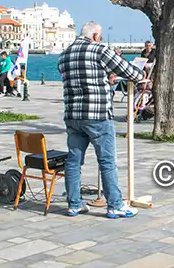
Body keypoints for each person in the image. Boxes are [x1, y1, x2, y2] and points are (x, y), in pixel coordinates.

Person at [57, 21, 144, 219]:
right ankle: (114, 205)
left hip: (72, 114)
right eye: (100, 36)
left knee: (73, 161)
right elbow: (131, 72)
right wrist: (141, 73)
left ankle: (74, 204)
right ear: (95, 36)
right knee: (106, 160)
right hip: (97, 114)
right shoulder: (99, 50)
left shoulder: (64, 55)